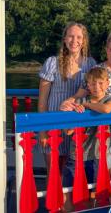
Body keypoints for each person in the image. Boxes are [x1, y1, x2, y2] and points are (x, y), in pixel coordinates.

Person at [60, 32, 111, 180]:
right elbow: (79, 95)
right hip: (98, 135)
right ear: (106, 49)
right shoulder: (96, 70)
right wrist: (67, 103)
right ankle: (100, 203)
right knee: (100, 177)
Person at [38, 22, 96, 173]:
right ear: (64, 39)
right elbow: (43, 100)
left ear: (84, 41)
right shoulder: (52, 62)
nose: (74, 40)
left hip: (77, 126)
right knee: (53, 173)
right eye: (70, 36)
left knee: (73, 175)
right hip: (54, 124)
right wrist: (43, 131)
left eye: (78, 37)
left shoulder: (91, 64)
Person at [62, 67, 111, 211]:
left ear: (107, 84)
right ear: (87, 85)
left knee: (95, 192)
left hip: (97, 155)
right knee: (69, 190)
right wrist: (71, 109)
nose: (96, 87)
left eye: (100, 83)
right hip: (76, 155)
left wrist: (86, 106)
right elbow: (68, 131)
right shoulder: (79, 100)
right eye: (92, 84)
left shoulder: (109, 99)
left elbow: (106, 109)